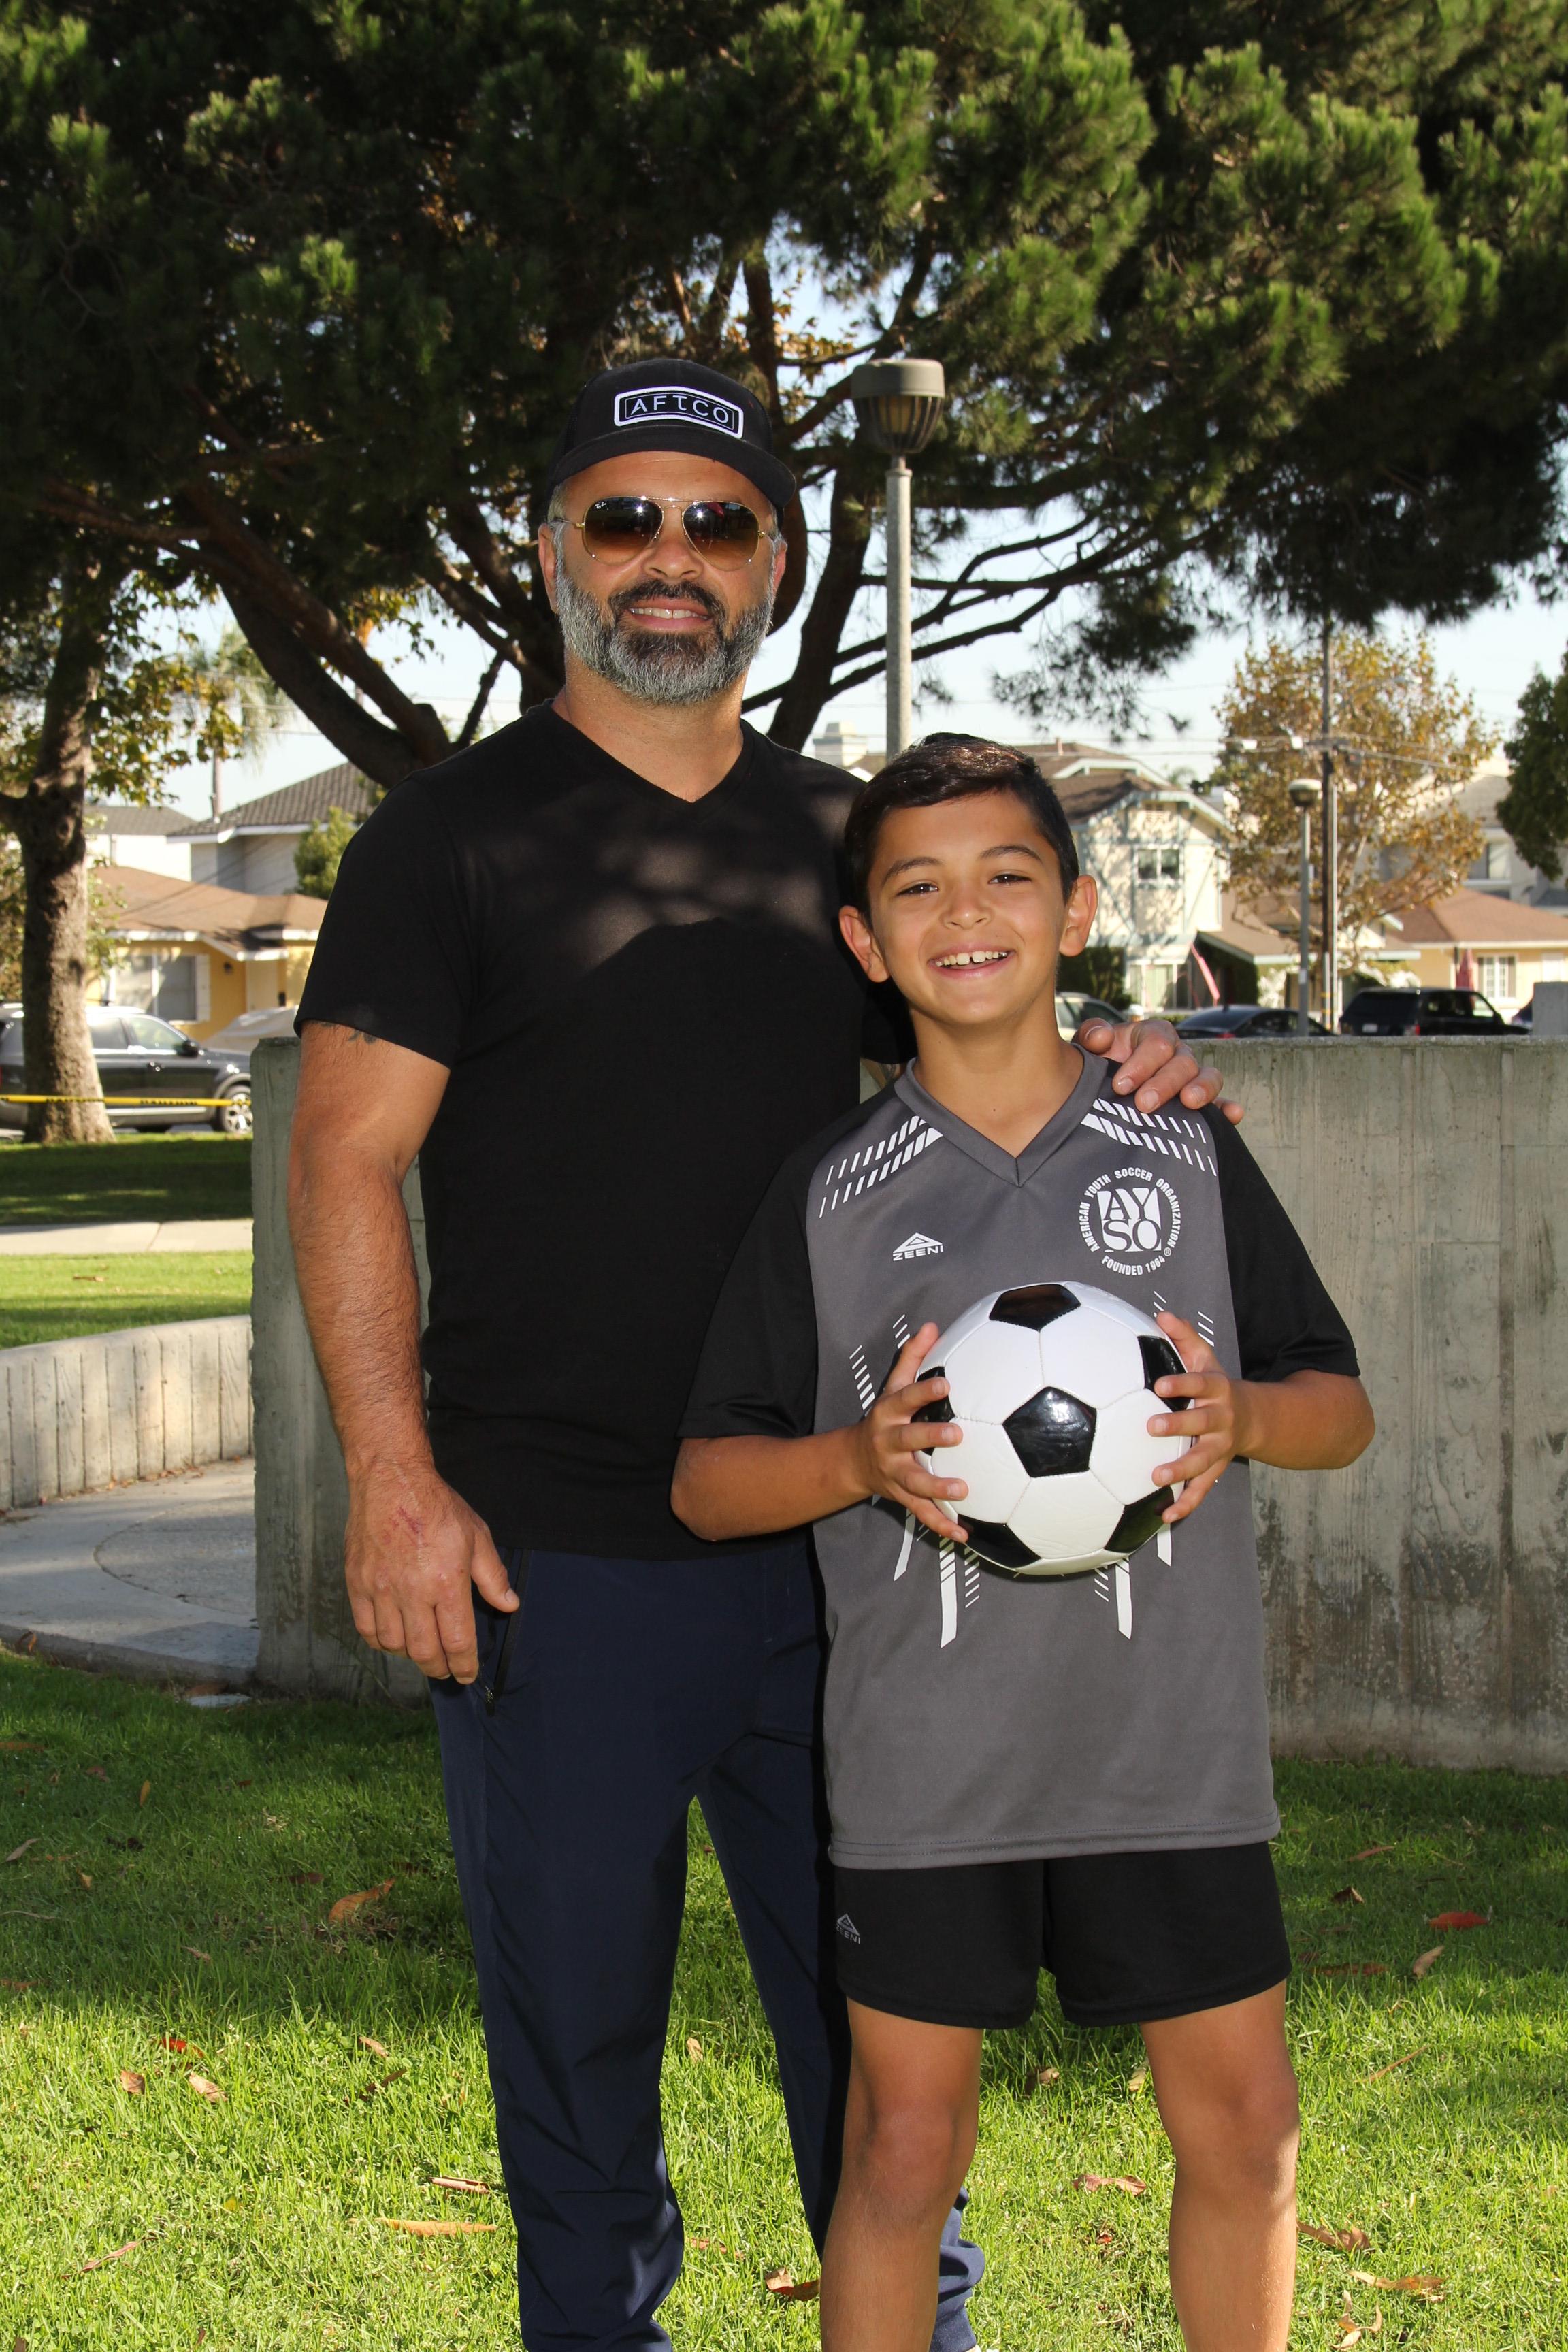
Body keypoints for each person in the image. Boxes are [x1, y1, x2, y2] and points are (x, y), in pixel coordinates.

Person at [287, 360, 1239, 2352]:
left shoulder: (842, 844)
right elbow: (348, 1160)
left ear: (778, 567)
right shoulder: (445, 843)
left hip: (849, 1560)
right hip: (556, 1570)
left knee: (886, 2072)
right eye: (625, 517)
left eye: (716, 522)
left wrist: (1133, 1050)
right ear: (552, 549)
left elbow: (993, 1051)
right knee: (578, 2064)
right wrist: (395, 1481)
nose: (670, 557)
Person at [673, 736, 1375, 2352]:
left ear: (1073, 911)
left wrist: (1243, 1420)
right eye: (917, 888)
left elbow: (1340, 1409)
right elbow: (709, 1484)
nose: (966, 913)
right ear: (866, 941)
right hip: (933, 1765)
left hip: (1169, 1751)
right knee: (901, 2152)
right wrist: (858, 1459)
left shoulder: (1182, 1140)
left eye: (1007, 876)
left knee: (1248, 2129)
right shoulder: (831, 1193)